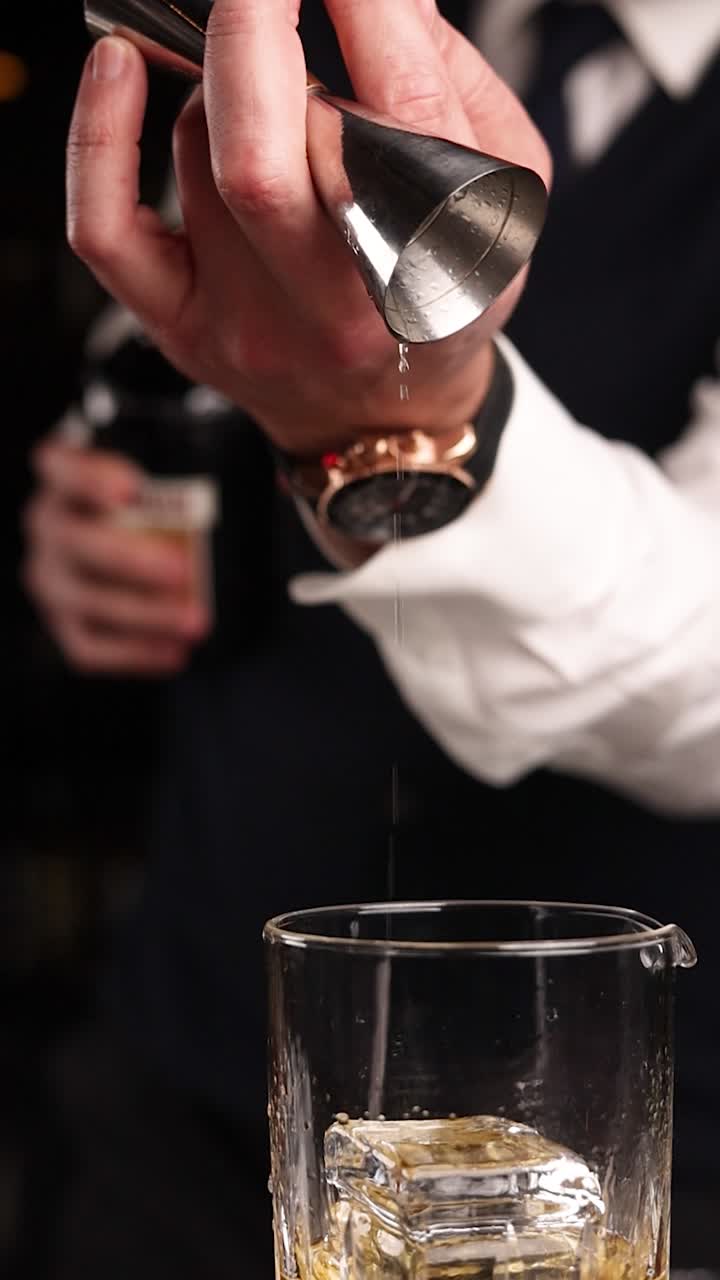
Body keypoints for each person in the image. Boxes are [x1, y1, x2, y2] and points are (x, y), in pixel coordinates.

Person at [23, 1, 720, 1276]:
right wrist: (93, 507)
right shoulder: (325, 32)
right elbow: (168, 368)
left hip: (587, 1180)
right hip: (183, 1090)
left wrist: (430, 421)